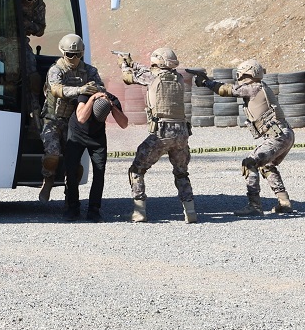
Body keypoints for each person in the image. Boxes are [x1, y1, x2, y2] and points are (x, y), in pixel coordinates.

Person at [196, 59, 295, 215]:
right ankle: (284, 202)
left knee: (249, 163)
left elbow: (226, 90)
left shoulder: (253, 88)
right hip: (284, 134)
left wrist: (206, 83)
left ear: (246, 73)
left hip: (277, 136)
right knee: (266, 165)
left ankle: (254, 206)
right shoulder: (261, 87)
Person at [120, 48, 197, 224]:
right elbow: (150, 71)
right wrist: (133, 63)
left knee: (137, 170)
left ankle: (139, 212)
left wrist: (125, 66)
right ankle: (190, 211)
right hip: (182, 133)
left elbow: (128, 78)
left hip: (162, 132)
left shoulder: (153, 77)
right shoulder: (177, 77)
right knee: (181, 173)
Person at [40, 33, 104, 201]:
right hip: (53, 119)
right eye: (70, 54)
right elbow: (56, 89)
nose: (74, 58)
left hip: (75, 122)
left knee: (74, 162)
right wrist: (80, 90)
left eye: (78, 54)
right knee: (52, 154)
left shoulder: (90, 71)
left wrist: (94, 89)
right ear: (63, 53)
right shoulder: (56, 70)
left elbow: (101, 89)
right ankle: (48, 181)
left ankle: (71, 193)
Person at [62, 90, 127, 221]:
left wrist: (112, 106)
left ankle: (94, 209)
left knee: (99, 172)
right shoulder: (85, 96)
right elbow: (81, 118)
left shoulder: (112, 99)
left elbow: (124, 124)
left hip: (97, 137)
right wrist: (92, 99)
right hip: (77, 133)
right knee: (71, 169)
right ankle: (73, 207)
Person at [20, 0, 46, 133]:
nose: (31, 2)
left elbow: (41, 29)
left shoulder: (38, 4)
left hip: (21, 42)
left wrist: (27, 24)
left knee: (34, 78)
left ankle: (36, 120)